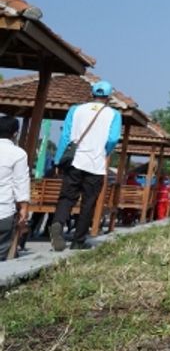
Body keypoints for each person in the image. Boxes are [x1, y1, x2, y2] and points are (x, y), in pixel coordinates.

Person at [50, 80, 122, 251]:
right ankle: (78, 240)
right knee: (88, 201)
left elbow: (66, 136)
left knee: (67, 197)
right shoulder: (114, 115)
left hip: (74, 162)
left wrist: (59, 160)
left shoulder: (75, 110)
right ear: (108, 97)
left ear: (92, 94)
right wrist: (104, 150)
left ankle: (58, 223)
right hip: (95, 164)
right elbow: (112, 139)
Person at [0, 116, 30, 261]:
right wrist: (24, 209)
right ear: (15, 133)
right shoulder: (18, 154)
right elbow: (21, 183)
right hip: (3, 212)